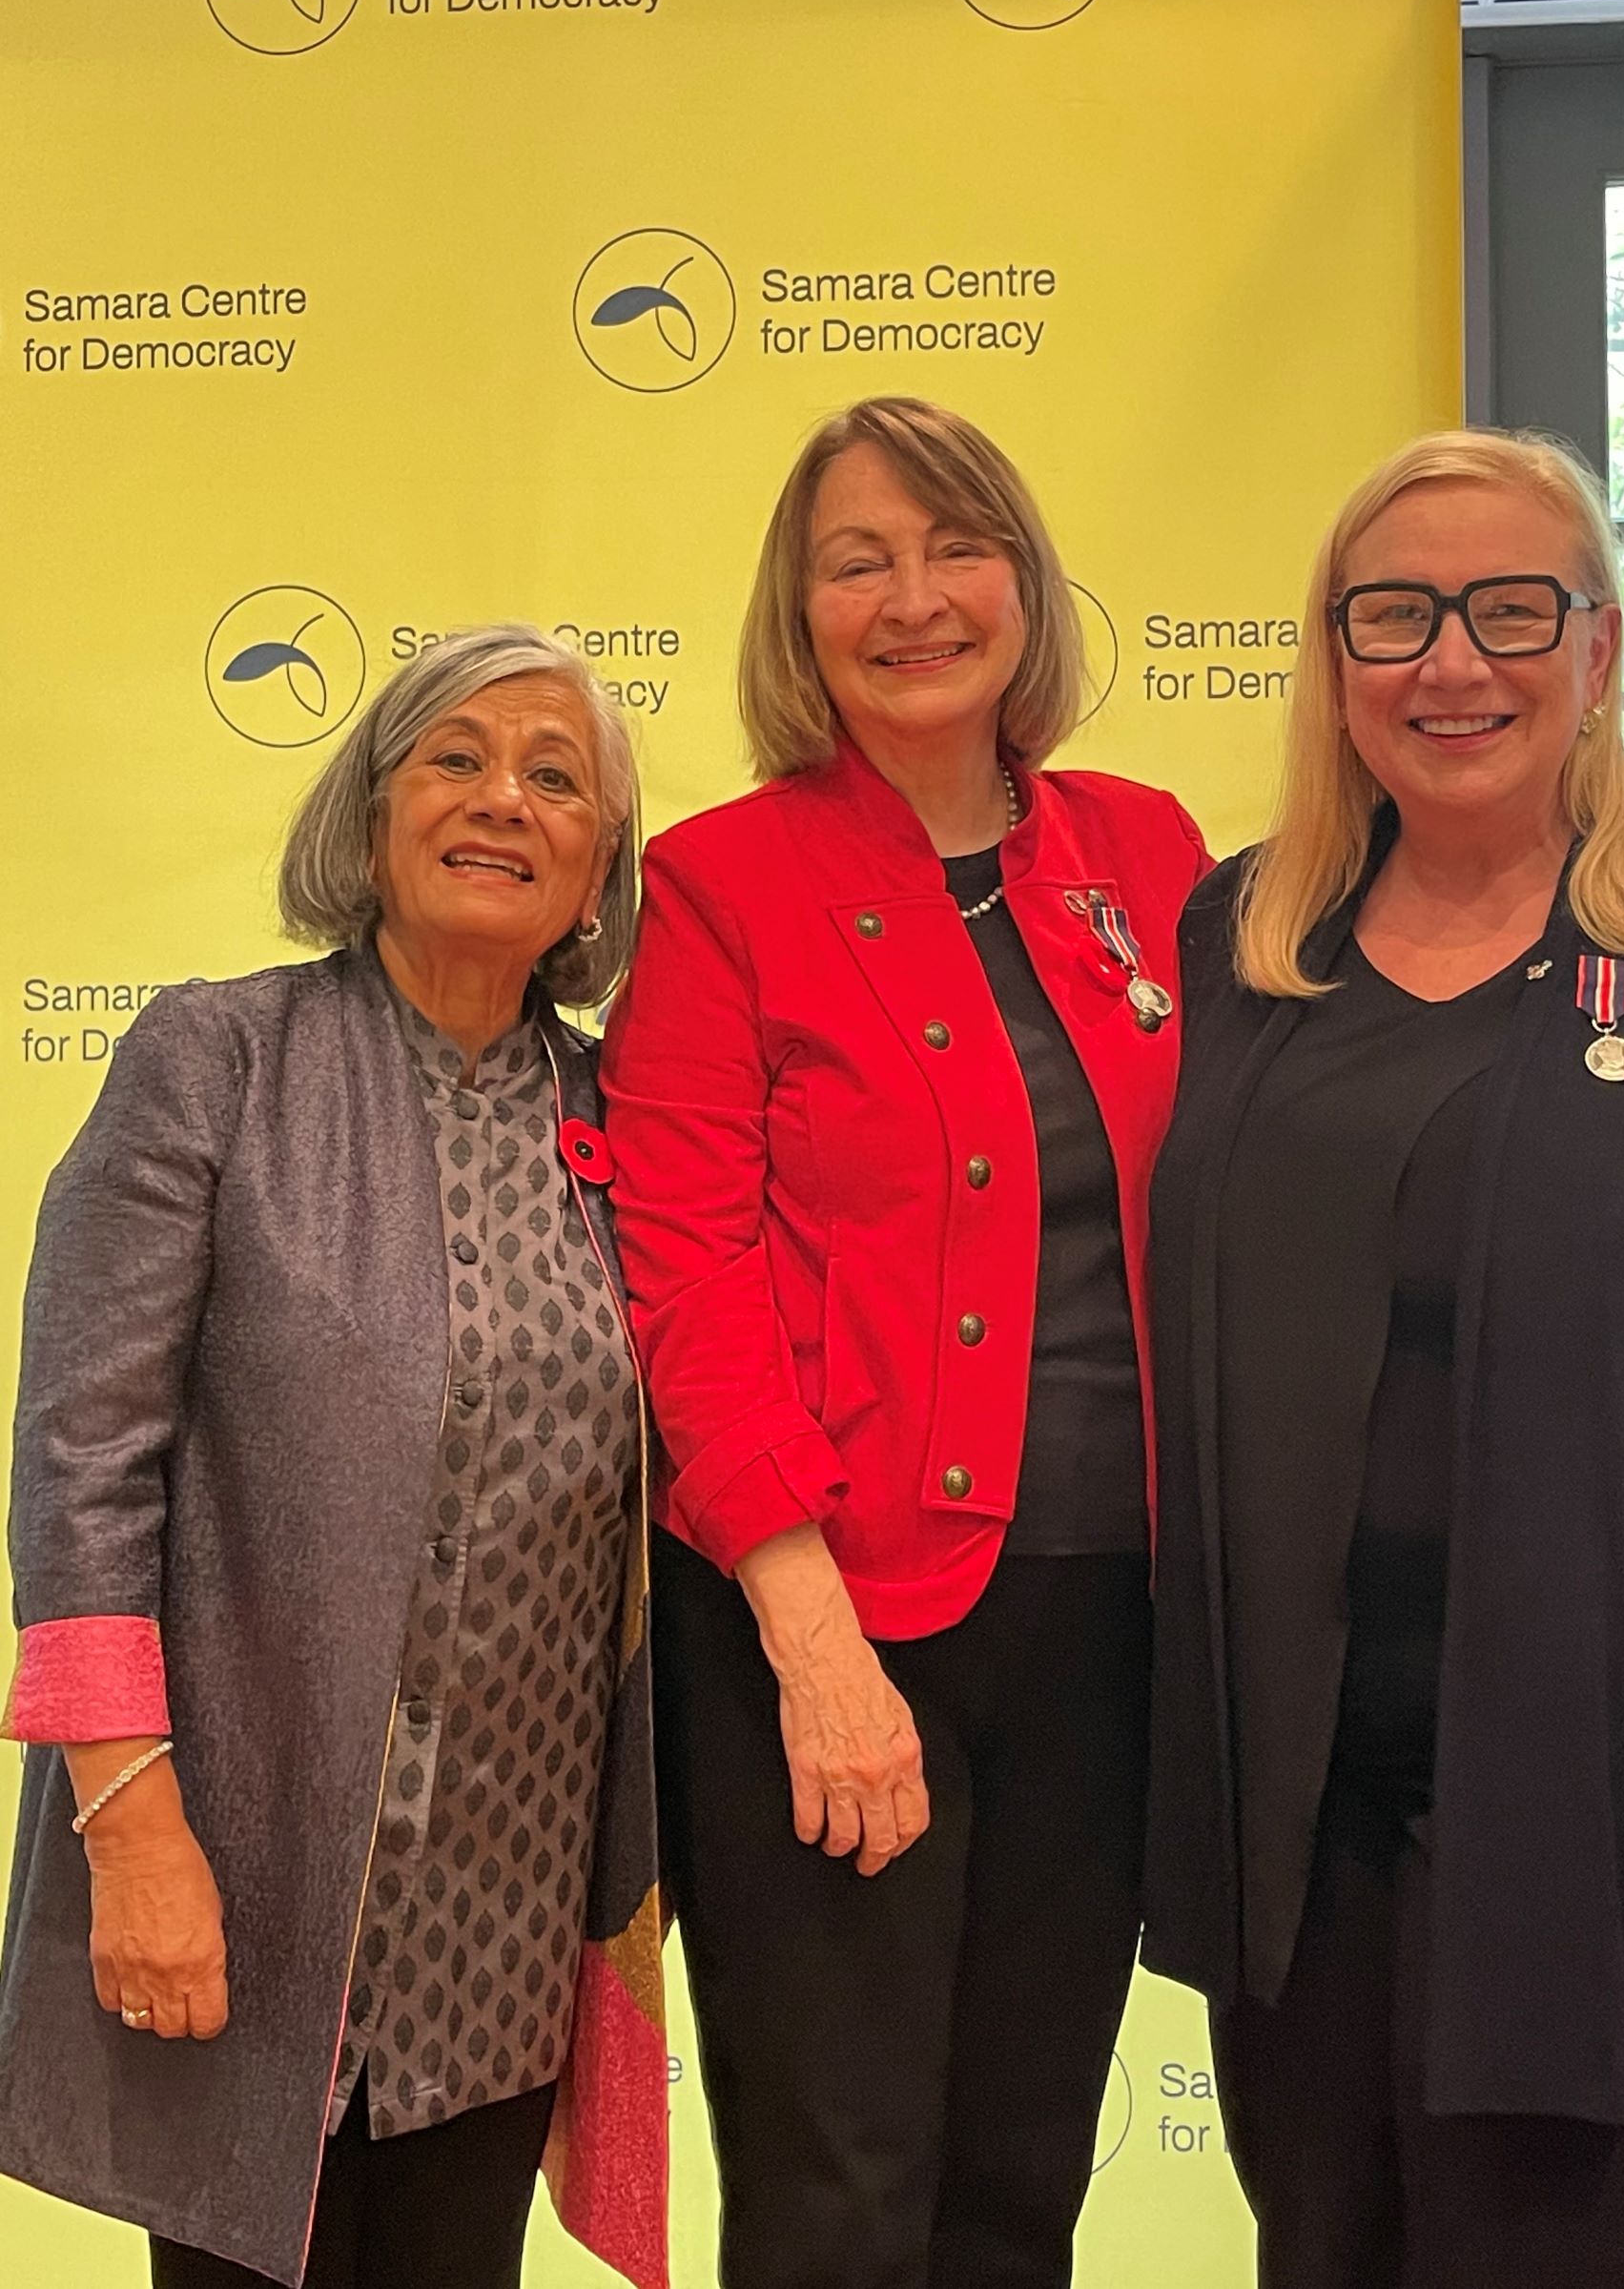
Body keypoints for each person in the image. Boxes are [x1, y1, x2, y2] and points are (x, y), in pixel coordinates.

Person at [1143, 427, 1624, 2289]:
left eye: (1507, 609)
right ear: (1333, 660)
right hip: (1302, 1830)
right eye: (1392, 615)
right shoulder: (1247, 939)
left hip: (1615, 1819)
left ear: (1592, 645)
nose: (1449, 663)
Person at [599, 395, 1208, 2288]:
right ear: (800, 609)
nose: (915, 597)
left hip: (1109, 1620)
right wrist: (811, 1644)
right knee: (839, 2190)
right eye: (858, 559)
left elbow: (1349, 1082)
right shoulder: (718, 881)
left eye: (956, 547)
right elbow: (680, 1276)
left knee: (1020, 2176)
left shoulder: (1151, 848)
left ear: (1024, 580)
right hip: (827, 1622)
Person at [0, 627, 666, 2289]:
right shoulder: (213, 1060)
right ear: (369, 818)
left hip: (501, 1936)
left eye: (554, 776)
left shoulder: (635, 1126)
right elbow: (82, 1461)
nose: (500, 797)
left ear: (599, 871)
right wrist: (132, 1833)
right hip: (236, 1888)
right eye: (453, 757)